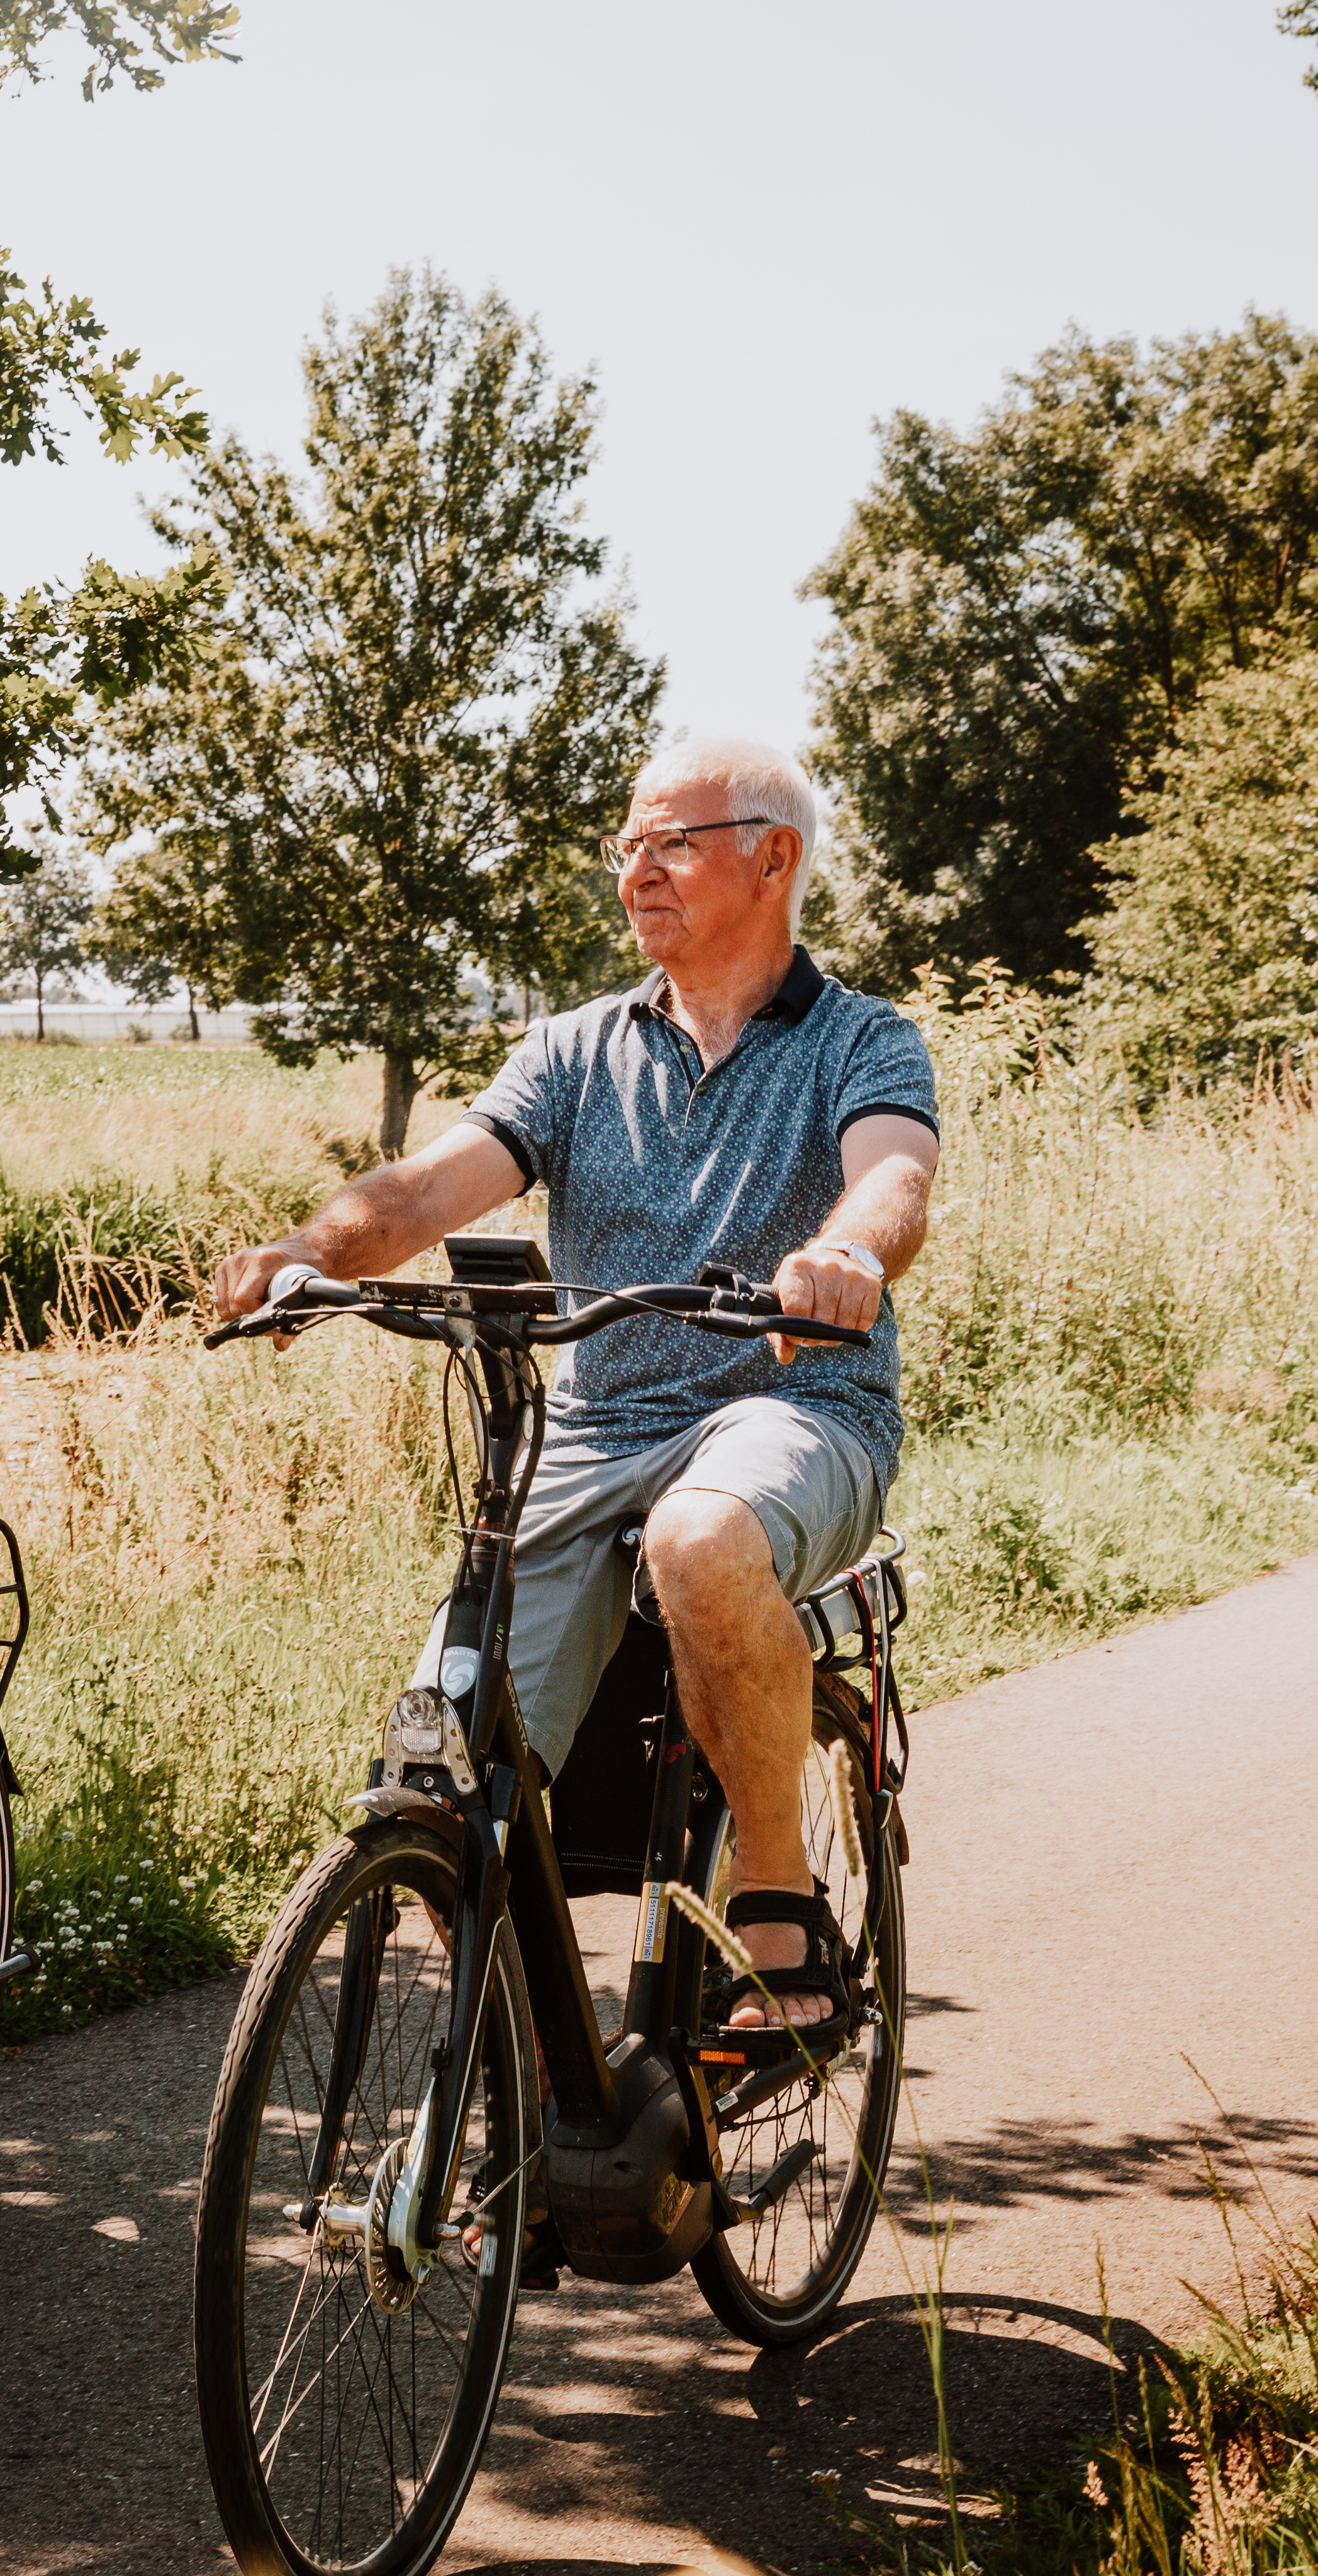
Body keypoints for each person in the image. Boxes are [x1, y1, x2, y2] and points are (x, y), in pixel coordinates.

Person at [207, 736, 938, 2049]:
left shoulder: (860, 1039)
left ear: (772, 856)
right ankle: (545, 2108)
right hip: (596, 1426)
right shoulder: (575, 1048)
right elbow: (429, 1189)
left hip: (793, 1411)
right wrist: (309, 1253)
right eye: (626, 849)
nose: (634, 873)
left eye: (669, 842)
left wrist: (844, 1252)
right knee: (437, 1775)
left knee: (700, 1537)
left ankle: (780, 1901)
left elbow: (893, 1176)